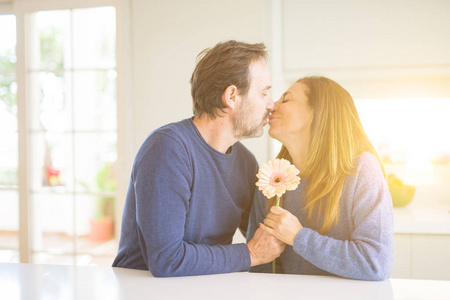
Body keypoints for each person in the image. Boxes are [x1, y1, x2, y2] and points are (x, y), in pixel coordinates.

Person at [113, 40, 285, 277]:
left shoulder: (246, 162)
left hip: (206, 286)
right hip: (146, 290)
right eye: (264, 92)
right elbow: (167, 260)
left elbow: (264, 239)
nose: (271, 103)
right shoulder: (167, 148)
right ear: (232, 96)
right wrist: (251, 254)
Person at [247, 76, 394, 281]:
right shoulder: (271, 180)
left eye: (286, 99)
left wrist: (298, 237)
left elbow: (375, 263)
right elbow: (260, 268)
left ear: (316, 112)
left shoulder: (361, 169)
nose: (272, 105)